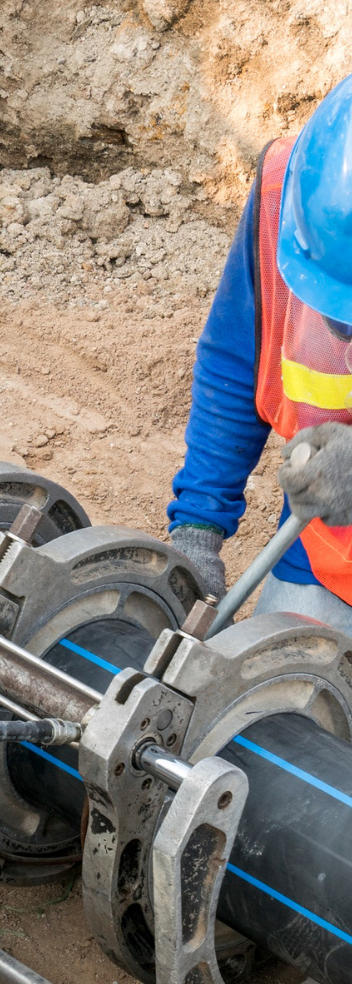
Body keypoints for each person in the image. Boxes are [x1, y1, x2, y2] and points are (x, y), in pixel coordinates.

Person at [168, 73, 352, 637]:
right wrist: (198, 524)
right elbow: (238, 358)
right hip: (330, 548)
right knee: (272, 673)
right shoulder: (293, 193)